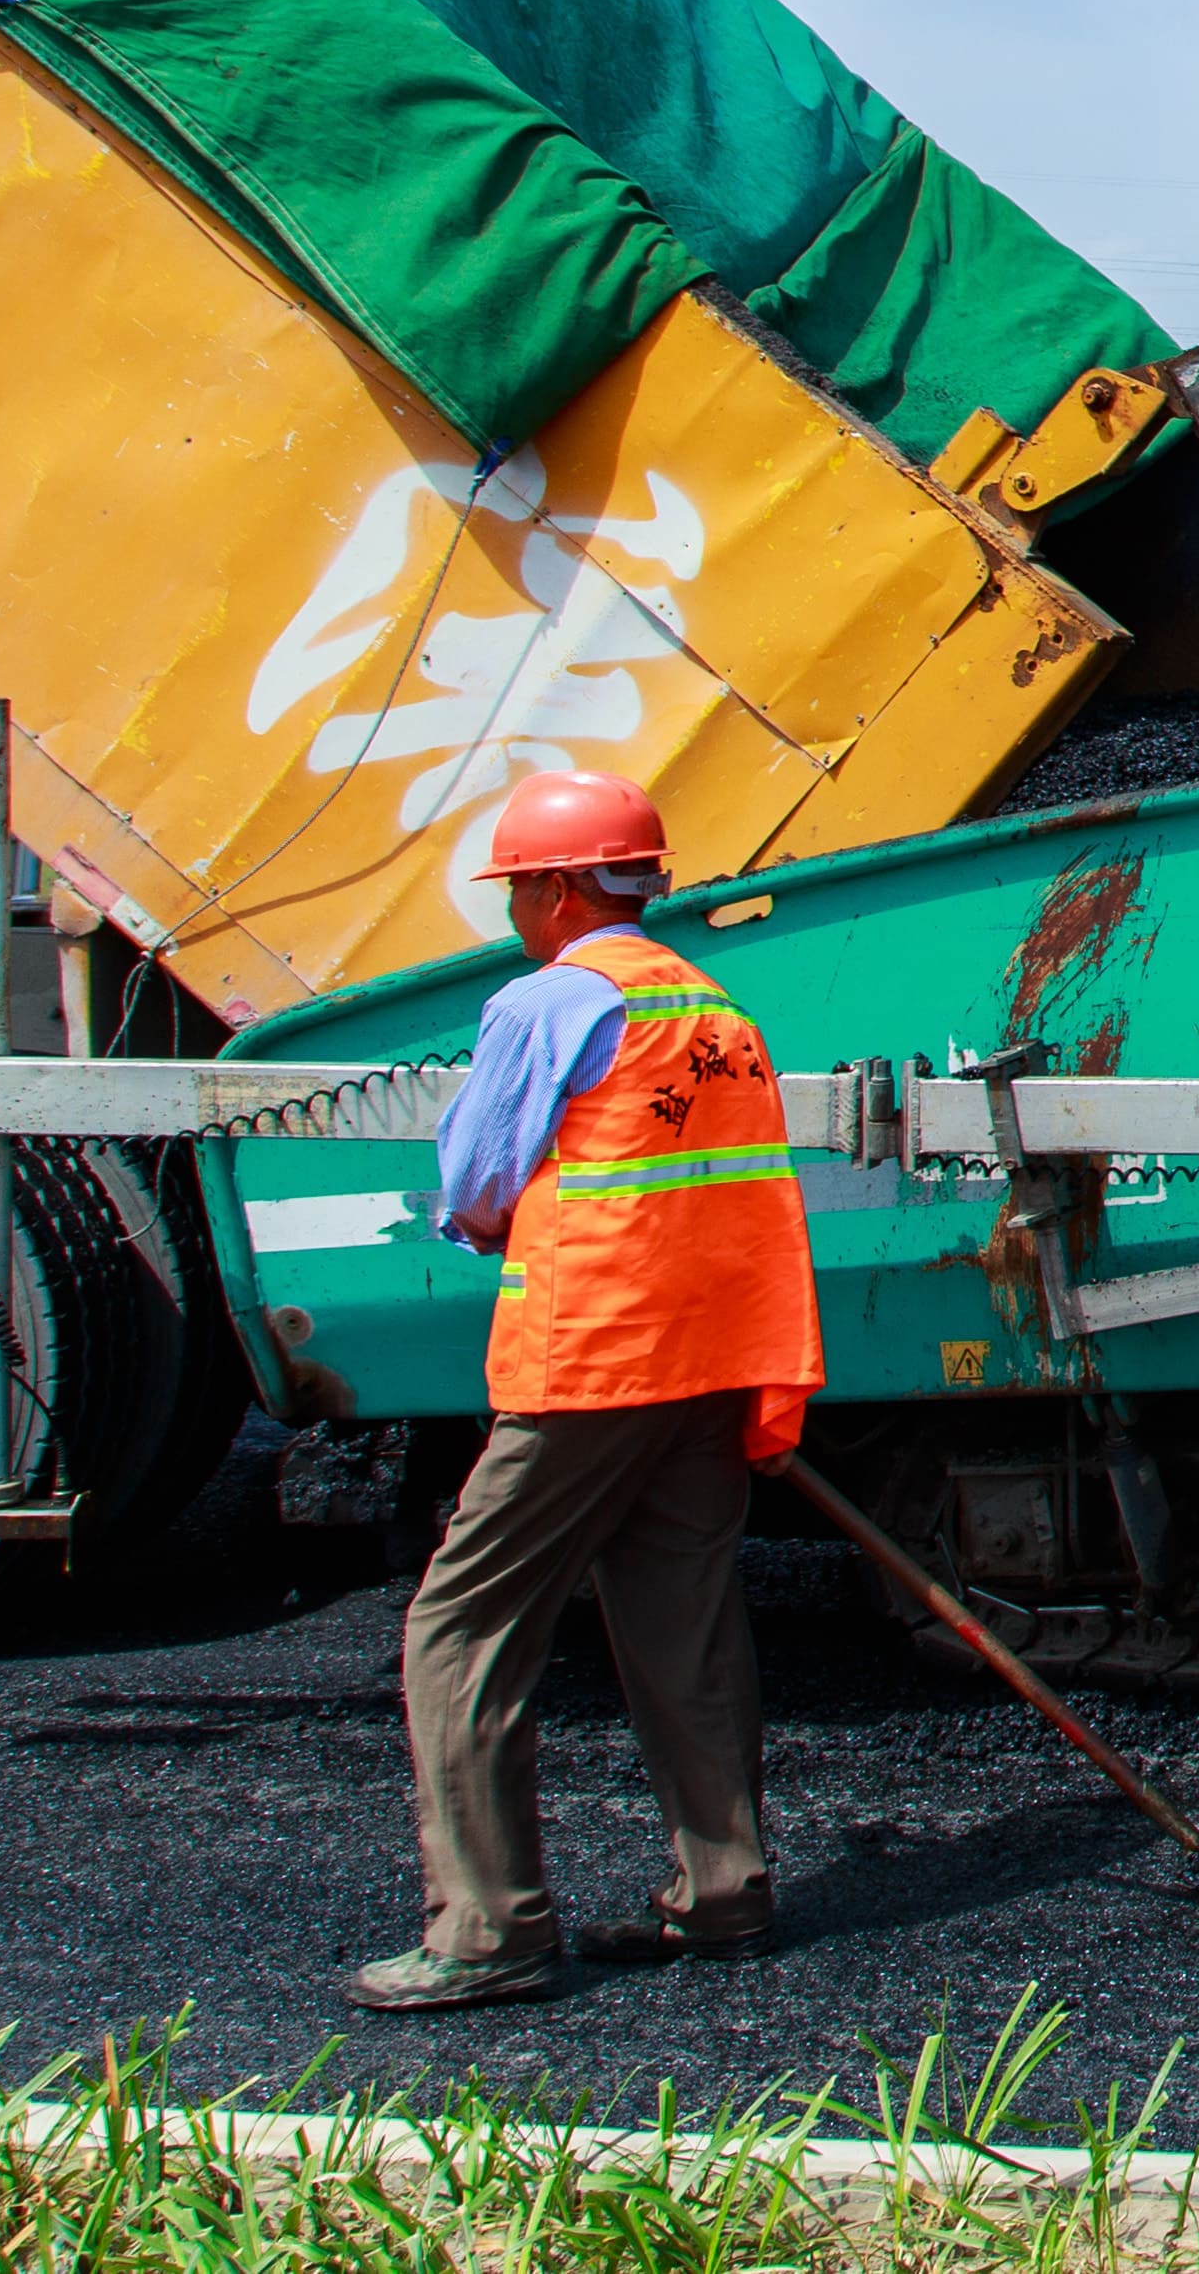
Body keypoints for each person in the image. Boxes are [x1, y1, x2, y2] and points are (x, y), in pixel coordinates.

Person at [344, 768, 823, 2011]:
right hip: (708, 1357)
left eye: (516, 891)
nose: (513, 914)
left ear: (559, 890)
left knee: (460, 1627)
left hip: (595, 1359)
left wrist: (498, 1222)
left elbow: (477, 1183)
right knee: (686, 1622)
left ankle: (489, 1929)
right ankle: (725, 1895)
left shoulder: (551, 1002)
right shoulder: (711, 1006)